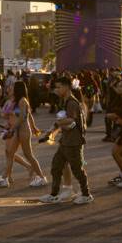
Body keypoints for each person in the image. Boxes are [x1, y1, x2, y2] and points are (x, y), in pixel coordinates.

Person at [40, 76, 93, 205]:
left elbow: (71, 120)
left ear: (67, 87)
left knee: (77, 170)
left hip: (74, 142)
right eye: (56, 87)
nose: (56, 90)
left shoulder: (71, 103)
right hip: (65, 141)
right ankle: (54, 194)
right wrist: (51, 131)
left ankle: (86, 194)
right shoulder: (65, 101)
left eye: (59, 87)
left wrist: (56, 124)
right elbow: (64, 122)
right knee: (56, 167)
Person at [0, 80, 47, 189]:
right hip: (17, 130)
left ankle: (41, 177)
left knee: (28, 154)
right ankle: (5, 178)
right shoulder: (17, 101)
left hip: (24, 131)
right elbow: (17, 115)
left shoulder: (22, 100)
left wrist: (13, 128)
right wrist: (11, 124)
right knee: (10, 152)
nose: (11, 89)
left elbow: (22, 117)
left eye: (14, 87)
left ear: (18, 89)